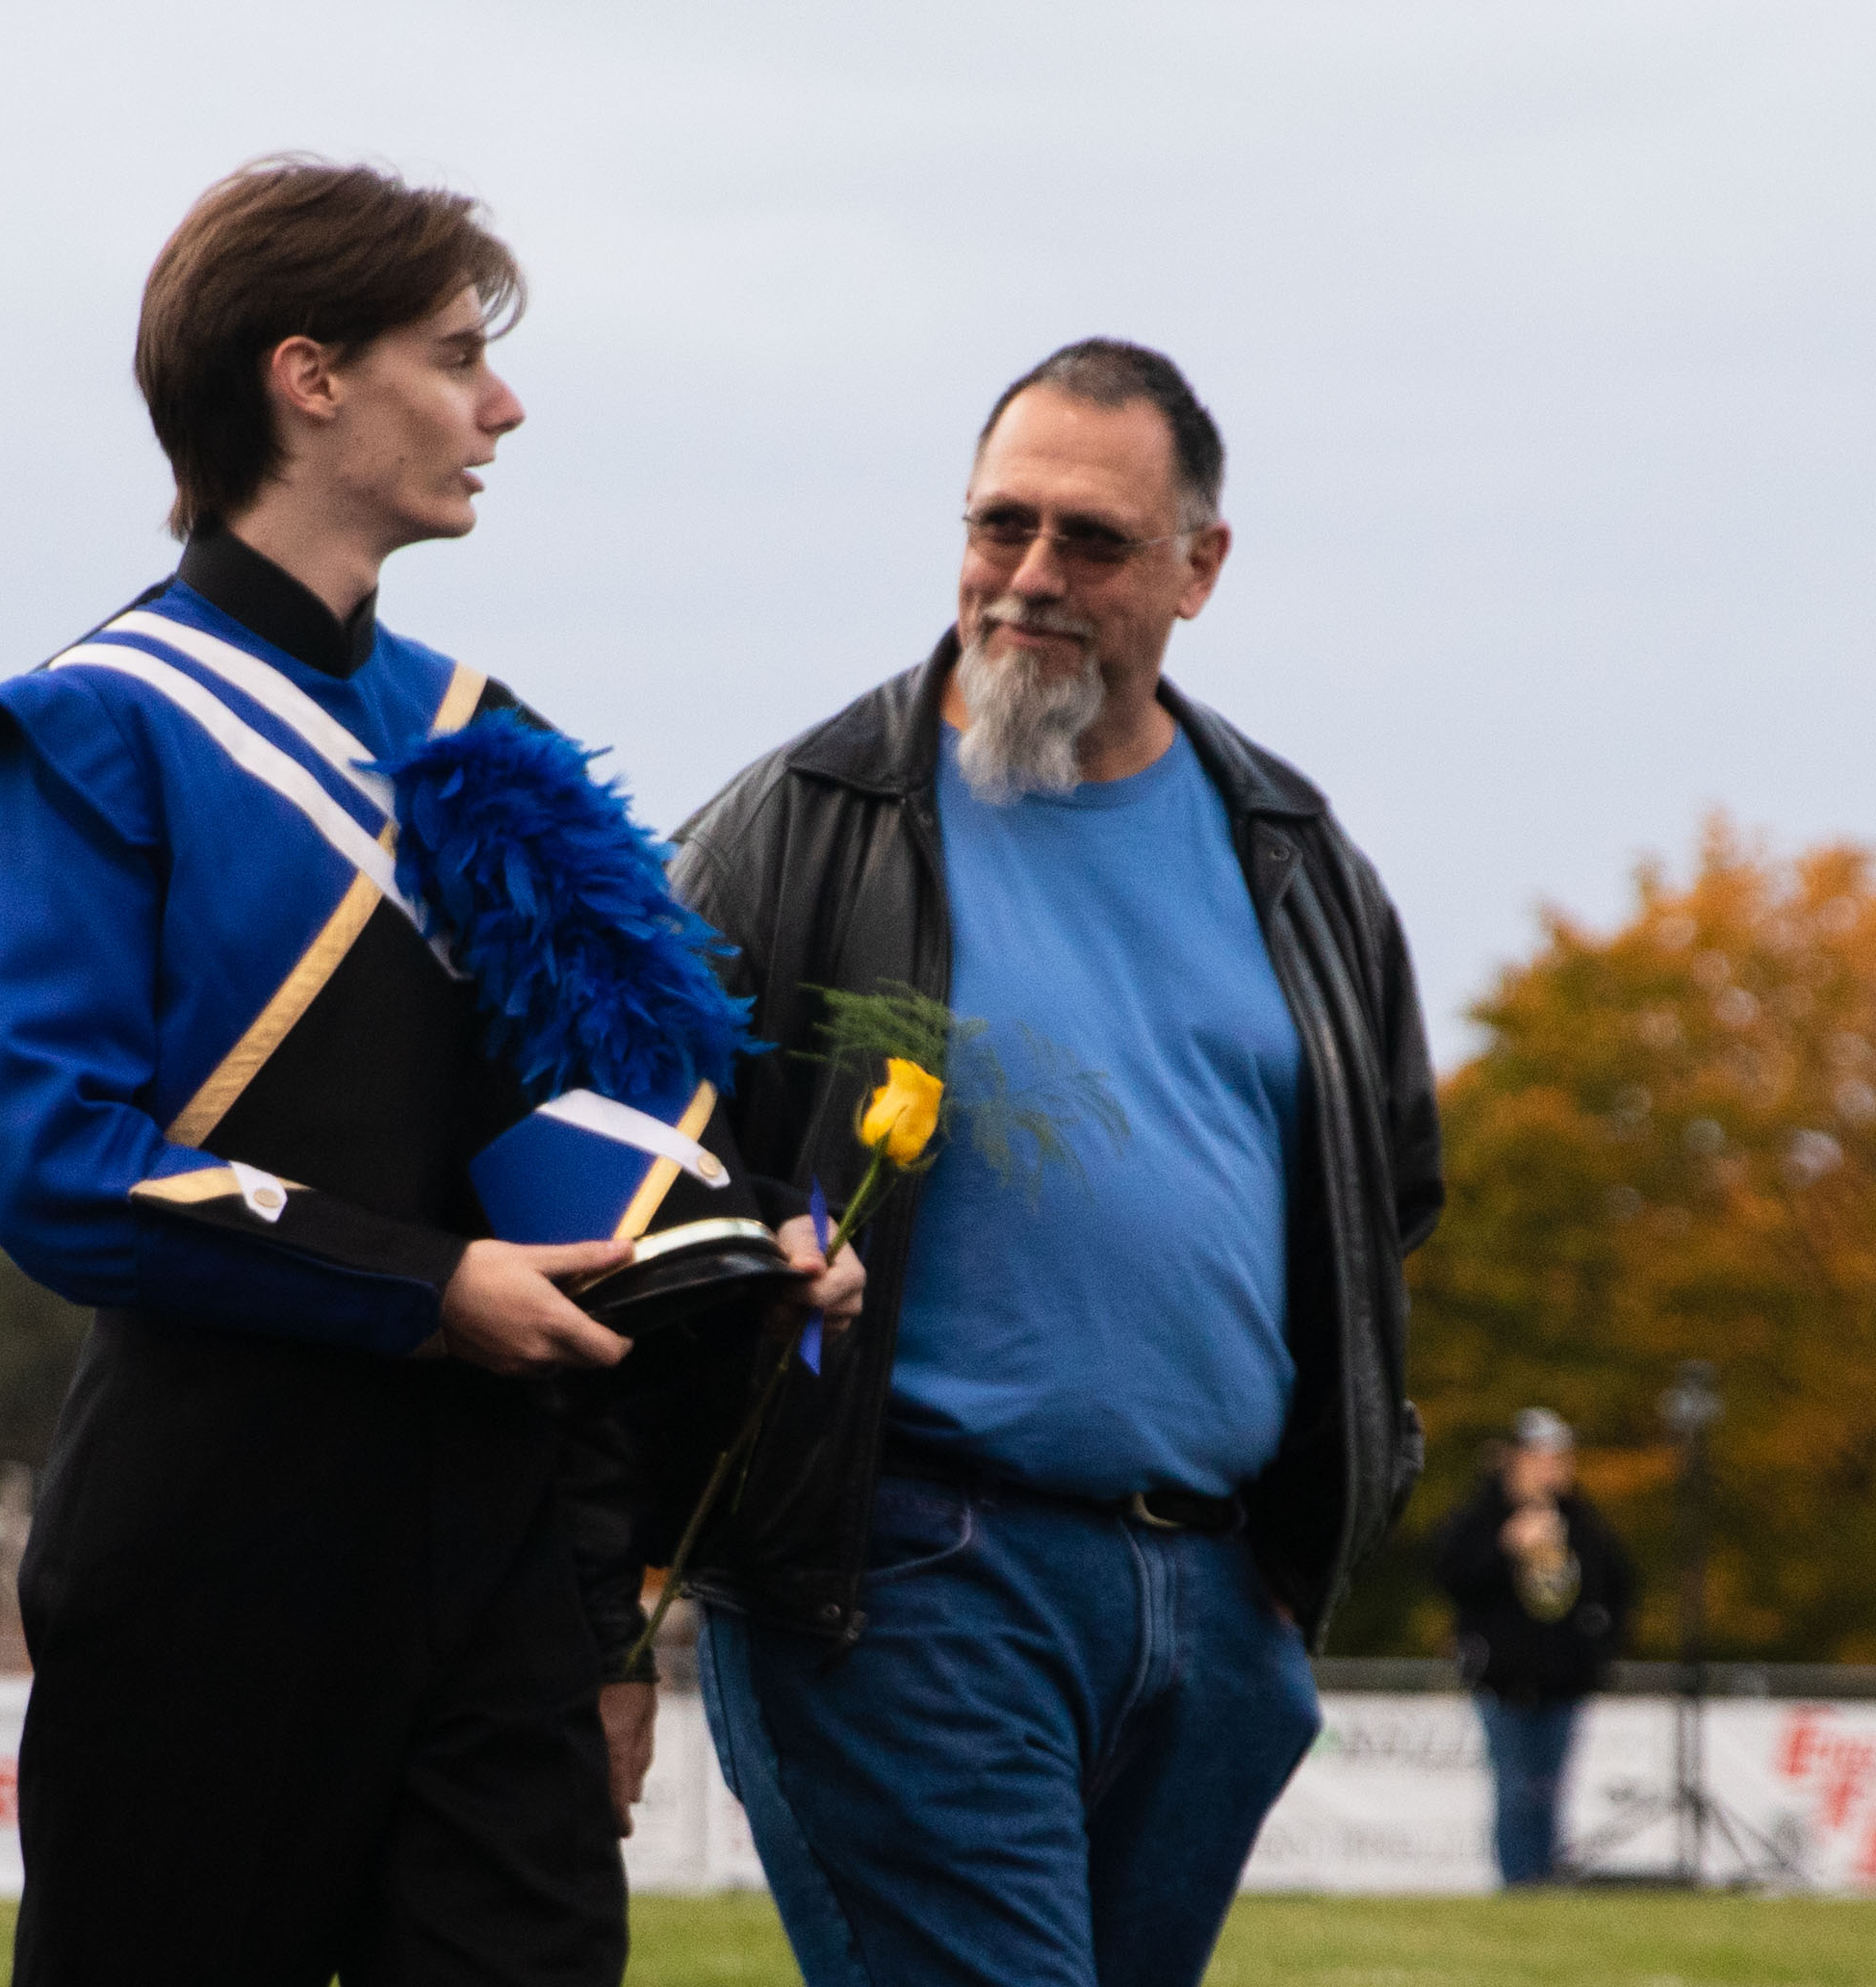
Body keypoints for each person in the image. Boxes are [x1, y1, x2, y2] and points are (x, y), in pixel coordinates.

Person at [0, 158, 855, 1985]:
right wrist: (428, 1290)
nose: (501, 405)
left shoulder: (479, 731)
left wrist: (741, 1247)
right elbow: (52, 1157)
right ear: (308, 376)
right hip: (210, 1536)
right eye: (454, 355)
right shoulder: (94, 729)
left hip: (489, 1547)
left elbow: (592, 1140)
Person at [648, 339, 1442, 1987]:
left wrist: (1294, 1558)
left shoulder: (1292, 851)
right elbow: (625, 1185)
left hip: (1215, 1605)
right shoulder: (801, 821)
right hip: (909, 1582)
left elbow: (1385, 1200)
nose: (1027, 576)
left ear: (1199, 567)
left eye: (1088, 539)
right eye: (998, 524)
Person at [1433, 1406, 1636, 1887]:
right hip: (1502, 1679)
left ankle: (1546, 1880)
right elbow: (1451, 1578)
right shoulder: (1480, 1518)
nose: (1552, 1468)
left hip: (1565, 1680)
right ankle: (1519, 1882)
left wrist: (1599, 1651)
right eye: (1540, 1457)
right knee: (1514, 1788)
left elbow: (1621, 1590)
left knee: (1549, 1791)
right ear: (1514, 1460)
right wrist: (1506, 1546)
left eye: (1559, 1458)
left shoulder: (1584, 1523)